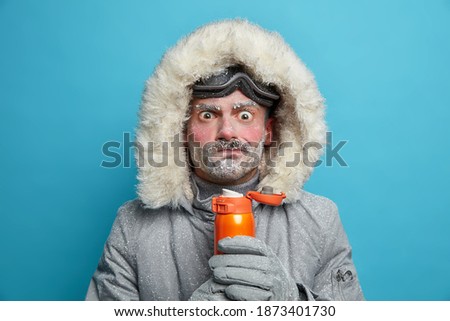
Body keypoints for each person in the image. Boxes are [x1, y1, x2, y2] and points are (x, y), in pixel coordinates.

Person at [86, 19, 364, 301]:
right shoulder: (133, 226)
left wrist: (293, 302)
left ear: (269, 131)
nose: (227, 132)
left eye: (245, 115)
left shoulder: (320, 220)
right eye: (208, 115)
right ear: (180, 129)